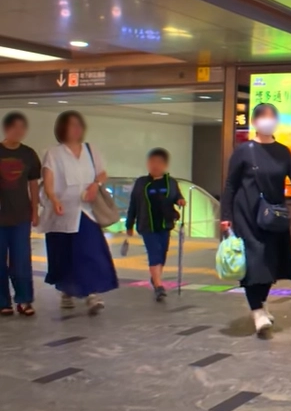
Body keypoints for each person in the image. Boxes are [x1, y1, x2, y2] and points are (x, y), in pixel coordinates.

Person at [221, 103, 291, 339]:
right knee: (253, 263)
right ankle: (257, 312)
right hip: (246, 214)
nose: (268, 120)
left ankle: (262, 305)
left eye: (272, 116)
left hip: (273, 216)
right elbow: (231, 185)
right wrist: (226, 216)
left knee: (269, 263)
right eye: (263, 117)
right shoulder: (244, 151)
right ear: (254, 122)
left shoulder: (283, 151)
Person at [40, 111, 119, 315]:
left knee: (90, 251)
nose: (76, 129)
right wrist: (54, 199)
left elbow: (102, 173)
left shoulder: (90, 150)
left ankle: (92, 294)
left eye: (79, 125)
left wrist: (95, 185)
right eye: (71, 125)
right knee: (65, 255)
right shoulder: (53, 153)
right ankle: (67, 290)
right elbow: (48, 180)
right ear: (62, 128)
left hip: (86, 211)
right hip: (62, 213)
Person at [124, 148, 185, 302]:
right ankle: (158, 286)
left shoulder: (171, 182)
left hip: (165, 224)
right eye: (152, 162)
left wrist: (180, 201)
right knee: (154, 252)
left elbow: (177, 196)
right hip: (147, 225)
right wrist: (129, 224)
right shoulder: (141, 183)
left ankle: (155, 278)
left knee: (162, 254)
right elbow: (133, 204)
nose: (155, 165)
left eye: (159, 162)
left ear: (165, 165)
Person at [0, 112, 40, 317]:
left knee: (22, 260)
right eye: (15, 127)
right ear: (6, 128)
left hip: (21, 216)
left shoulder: (29, 154)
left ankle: (24, 300)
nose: (19, 131)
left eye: (22, 128)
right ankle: (3, 302)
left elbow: (33, 184)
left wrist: (35, 210)